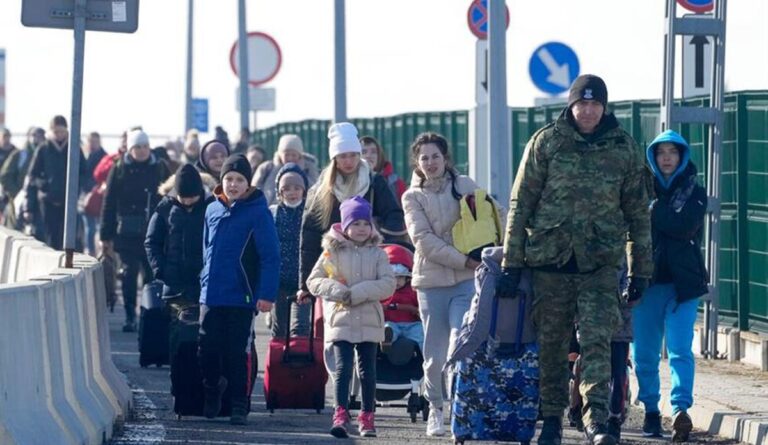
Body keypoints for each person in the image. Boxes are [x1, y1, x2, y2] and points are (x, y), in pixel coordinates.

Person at [497, 74, 652, 445]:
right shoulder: (546, 142)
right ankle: (551, 419)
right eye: (581, 104)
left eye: (595, 104)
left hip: (599, 265)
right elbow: (521, 205)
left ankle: (596, 419)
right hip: (550, 263)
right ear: (570, 106)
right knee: (552, 346)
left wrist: (640, 269)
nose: (588, 111)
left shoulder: (623, 148)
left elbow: (638, 214)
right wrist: (511, 262)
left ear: (604, 107)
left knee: (598, 341)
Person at [401, 132, 480, 437]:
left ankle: (462, 408)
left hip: (465, 281)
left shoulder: (465, 185)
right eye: (424, 158)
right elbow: (424, 242)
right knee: (434, 354)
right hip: (431, 283)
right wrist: (464, 260)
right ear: (417, 163)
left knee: (461, 344)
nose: (430, 163)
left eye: (436, 156)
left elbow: (491, 217)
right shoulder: (412, 197)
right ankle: (436, 407)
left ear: (446, 159)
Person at [632, 129, 708, 443]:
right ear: (652, 157)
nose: (666, 158)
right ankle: (651, 408)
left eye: (672, 152)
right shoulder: (638, 190)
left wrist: (654, 210)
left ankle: (680, 410)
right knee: (645, 354)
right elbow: (632, 228)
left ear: (682, 157)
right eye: (661, 152)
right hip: (646, 283)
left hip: (683, 285)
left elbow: (684, 226)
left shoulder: (695, 191)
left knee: (679, 350)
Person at [199, 154, 280, 425]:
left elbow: (270, 256)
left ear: (248, 184)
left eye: (239, 180)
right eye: (229, 179)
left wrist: (267, 294)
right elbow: (206, 249)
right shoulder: (211, 209)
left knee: (237, 352)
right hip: (211, 294)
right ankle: (212, 389)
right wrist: (202, 282)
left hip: (242, 296)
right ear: (222, 181)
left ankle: (238, 404)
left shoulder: (259, 212)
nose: (233, 184)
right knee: (207, 348)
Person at [306, 196, 396, 438]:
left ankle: (367, 416)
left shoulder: (378, 254)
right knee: (343, 369)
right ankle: (341, 413)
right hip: (341, 318)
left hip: (368, 318)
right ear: (344, 226)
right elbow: (314, 280)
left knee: (368, 370)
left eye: (365, 224)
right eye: (355, 224)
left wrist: (358, 293)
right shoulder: (331, 252)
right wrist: (337, 291)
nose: (361, 229)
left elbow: (388, 284)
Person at [298, 122, 405, 305]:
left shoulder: (373, 183)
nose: (348, 161)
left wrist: (379, 243)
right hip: (334, 271)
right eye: (343, 156)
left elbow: (394, 217)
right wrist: (305, 284)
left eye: (353, 155)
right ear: (335, 159)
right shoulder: (323, 191)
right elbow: (310, 236)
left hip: (369, 268)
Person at [100, 129, 171, 332]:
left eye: (145, 146)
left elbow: (170, 197)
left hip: (154, 232)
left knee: (151, 276)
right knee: (129, 274)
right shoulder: (119, 168)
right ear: (130, 149)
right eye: (137, 147)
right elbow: (109, 202)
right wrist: (106, 235)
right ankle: (130, 315)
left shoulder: (159, 167)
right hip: (127, 235)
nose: (142, 151)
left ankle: (148, 314)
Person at [145, 164, 210, 306]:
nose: (187, 202)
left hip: (203, 283)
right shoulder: (165, 207)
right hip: (173, 283)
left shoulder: (211, 207)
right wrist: (160, 270)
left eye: (192, 197)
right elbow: (152, 241)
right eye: (183, 197)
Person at [25, 115, 87, 250]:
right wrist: (44, 185)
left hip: (68, 202)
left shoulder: (74, 148)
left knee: (69, 238)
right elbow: (32, 176)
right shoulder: (43, 149)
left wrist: (75, 188)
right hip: (48, 201)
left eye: (61, 131)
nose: (59, 135)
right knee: (50, 237)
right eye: (56, 131)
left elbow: (84, 172)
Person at [269, 162, 311, 338]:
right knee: (279, 327)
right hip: (279, 280)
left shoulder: (310, 213)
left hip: (304, 280)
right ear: (280, 192)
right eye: (287, 189)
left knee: (300, 328)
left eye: (296, 188)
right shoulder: (273, 213)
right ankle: (278, 362)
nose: (292, 193)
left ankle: (300, 362)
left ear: (304, 190)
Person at [252, 134, 319, 205]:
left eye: (293, 155)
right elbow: (254, 190)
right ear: (280, 154)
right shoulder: (267, 168)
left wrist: (299, 171)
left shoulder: (309, 168)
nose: (290, 158)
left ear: (299, 155)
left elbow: (315, 189)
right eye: (286, 155)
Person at [379, 243, 423, 352]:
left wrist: (417, 311)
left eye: (400, 278)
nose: (396, 282)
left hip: (411, 324)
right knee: (388, 327)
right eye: (392, 278)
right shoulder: (382, 292)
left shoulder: (413, 291)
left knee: (421, 332)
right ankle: (386, 339)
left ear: (407, 278)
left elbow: (419, 307)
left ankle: (427, 356)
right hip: (391, 322)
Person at [1, 127, 44, 230]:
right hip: (17, 204)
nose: (36, 139)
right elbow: (5, 176)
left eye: (40, 136)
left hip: (41, 204)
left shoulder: (46, 155)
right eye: (33, 135)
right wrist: (17, 193)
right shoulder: (20, 155)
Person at [81, 132, 107, 255]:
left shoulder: (104, 158)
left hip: (99, 197)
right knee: (89, 227)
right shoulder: (83, 156)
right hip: (85, 196)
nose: (93, 144)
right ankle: (90, 251)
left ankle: (98, 251)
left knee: (97, 227)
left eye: (95, 141)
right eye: (91, 141)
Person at [361, 136, 407, 205]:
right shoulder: (348, 181)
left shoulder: (396, 183)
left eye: (373, 152)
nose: (368, 155)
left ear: (380, 156)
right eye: (364, 152)